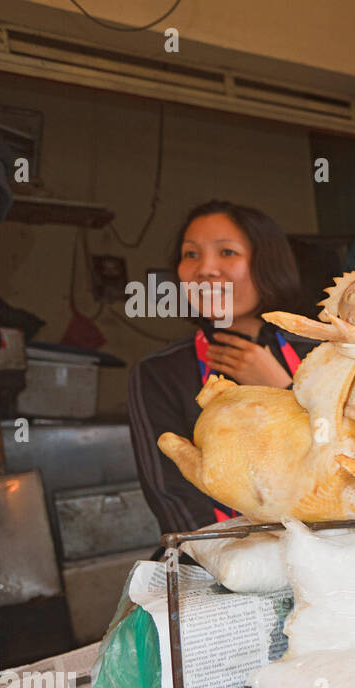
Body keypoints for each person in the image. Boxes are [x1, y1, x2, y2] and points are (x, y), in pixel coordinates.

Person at [129, 200, 318, 535]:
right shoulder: (159, 372)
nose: (206, 269)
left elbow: (349, 462)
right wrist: (232, 566)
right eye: (191, 254)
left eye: (227, 252)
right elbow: (171, 493)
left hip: (329, 546)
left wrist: (284, 390)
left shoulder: (321, 354)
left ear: (267, 264)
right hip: (221, 563)